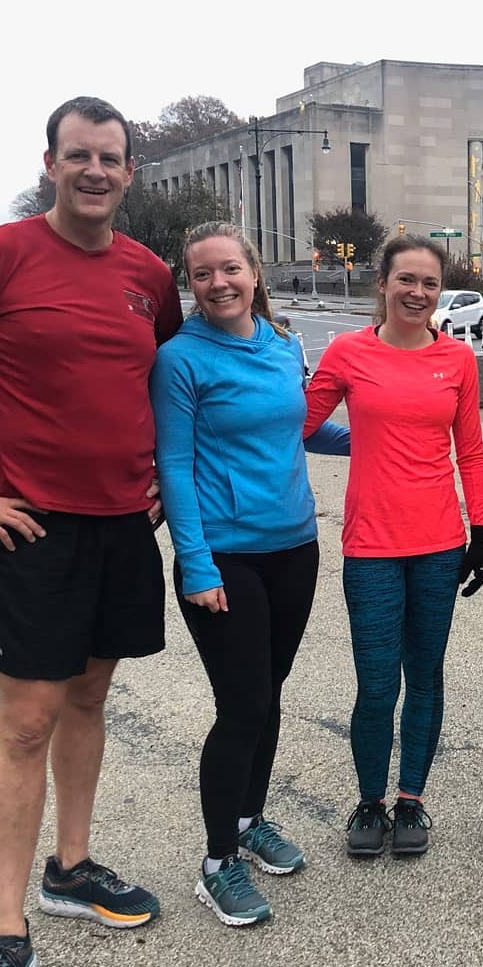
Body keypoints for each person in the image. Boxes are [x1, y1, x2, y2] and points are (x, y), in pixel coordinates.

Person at [0, 97, 182, 967]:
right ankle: (7, 932)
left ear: (129, 173)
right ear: (50, 164)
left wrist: (167, 479)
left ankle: (71, 869)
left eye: (110, 158)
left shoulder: (147, 275)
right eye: (78, 155)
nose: (95, 171)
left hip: (123, 527)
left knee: (88, 698)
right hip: (32, 530)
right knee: (27, 723)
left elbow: (170, 383)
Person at [151, 222, 349, 926]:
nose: (219, 283)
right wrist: (197, 563)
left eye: (230, 269)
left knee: (268, 697)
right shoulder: (180, 360)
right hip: (223, 558)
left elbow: (300, 427)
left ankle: (248, 818)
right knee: (241, 707)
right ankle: (216, 863)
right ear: (190, 283)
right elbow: (175, 465)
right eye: (203, 274)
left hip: (294, 548)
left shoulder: (281, 344)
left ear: (254, 272)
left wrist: (381, 435)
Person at [303, 233, 483, 856]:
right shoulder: (348, 352)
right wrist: (358, 443)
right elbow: (300, 426)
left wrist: (482, 532)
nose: (417, 292)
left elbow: (470, 450)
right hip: (372, 547)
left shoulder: (456, 359)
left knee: (426, 677)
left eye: (430, 282)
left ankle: (411, 799)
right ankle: (369, 801)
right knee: (377, 683)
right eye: (406, 279)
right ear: (382, 284)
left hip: (439, 545)